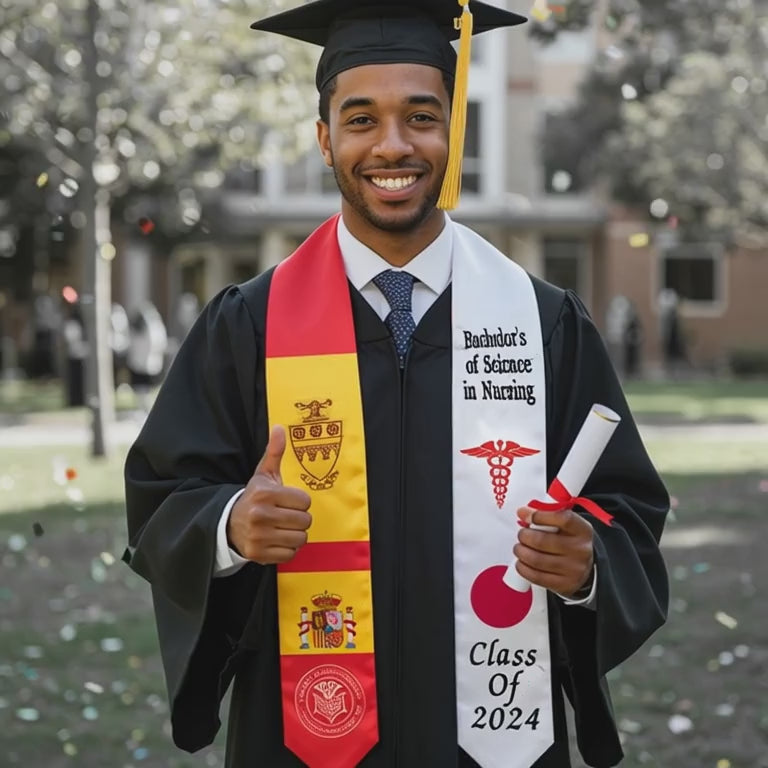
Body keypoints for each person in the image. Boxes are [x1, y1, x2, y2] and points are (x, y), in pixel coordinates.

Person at [123, 2, 669, 767]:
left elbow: (626, 508)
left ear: (454, 131)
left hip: (490, 735)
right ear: (323, 139)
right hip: (305, 728)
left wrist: (586, 568)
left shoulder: (542, 323)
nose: (392, 146)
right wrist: (228, 528)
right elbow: (164, 495)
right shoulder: (250, 324)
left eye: (421, 116)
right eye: (360, 120)